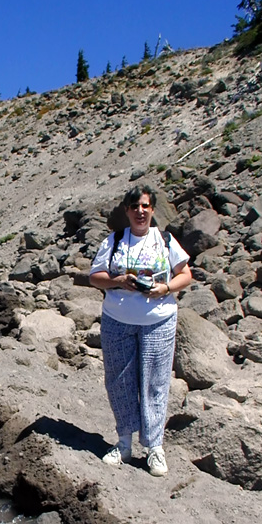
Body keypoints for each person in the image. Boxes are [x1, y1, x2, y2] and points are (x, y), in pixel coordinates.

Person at [89, 185, 192, 476]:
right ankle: (124, 443)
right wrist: (119, 280)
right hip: (117, 319)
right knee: (119, 381)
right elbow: (95, 277)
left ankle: (154, 447)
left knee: (155, 382)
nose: (140, 211)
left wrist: (166, 287)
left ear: (152, 209)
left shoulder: (165, 240)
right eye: (134, 206)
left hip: (158, 320)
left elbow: (186, 274)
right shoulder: (115, 240)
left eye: (145, 206)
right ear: (127, 210)